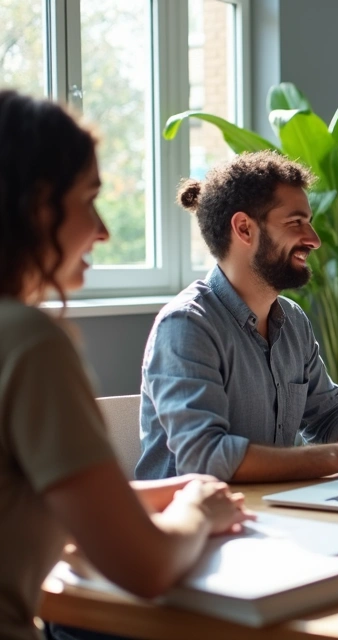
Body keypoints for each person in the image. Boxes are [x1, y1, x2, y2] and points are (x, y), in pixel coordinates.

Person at [0, 90, 251, 640]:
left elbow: (30, 492)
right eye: (88, 199)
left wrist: (179, 489)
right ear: (39, 206)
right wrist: (200, 514)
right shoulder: (29, 341)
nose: (103, 229)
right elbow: (149, 568)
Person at [135, 152, 338, 482]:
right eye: (296, 222)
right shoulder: (186, 326)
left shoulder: (292, 321)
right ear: (244, 229)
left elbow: (328, 416)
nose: (313, 239)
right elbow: (205, 458)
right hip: (196, 525)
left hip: (276, 510)